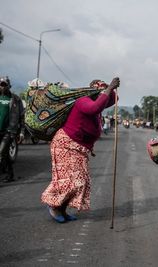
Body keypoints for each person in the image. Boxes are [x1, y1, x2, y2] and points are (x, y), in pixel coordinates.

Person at [41, 77, 120, 223]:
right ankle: (53, 206)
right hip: (65, 145)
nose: (103, 93)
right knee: (68, 181)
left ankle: (62, 209)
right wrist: (108, 89)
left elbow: (113, 99)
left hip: (78, 149)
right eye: (100, 91)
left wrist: (111, 88)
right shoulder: (83, 100)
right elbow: (93, 108)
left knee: (81, 181)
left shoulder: (99, 103)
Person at [0, 76, 25, 182]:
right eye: (1, 84)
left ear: (9, 86)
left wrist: (22, 132)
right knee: (4, 154)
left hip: (9, 131)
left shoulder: (15, 99)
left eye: (4, 84)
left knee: (1, 152)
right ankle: (10, 174)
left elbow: (22, 116)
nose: (2, 87)